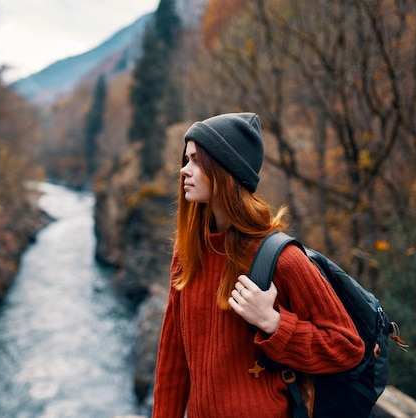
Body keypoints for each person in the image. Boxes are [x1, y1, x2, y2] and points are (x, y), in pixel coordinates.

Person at [151, 112, 364, 417]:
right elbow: (173, 358)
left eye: (197, 161)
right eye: (186, 160)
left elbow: (347, 347)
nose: (184, 170)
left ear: (226, 169)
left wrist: (273, 323)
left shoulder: (281, 258)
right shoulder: (187, 253)